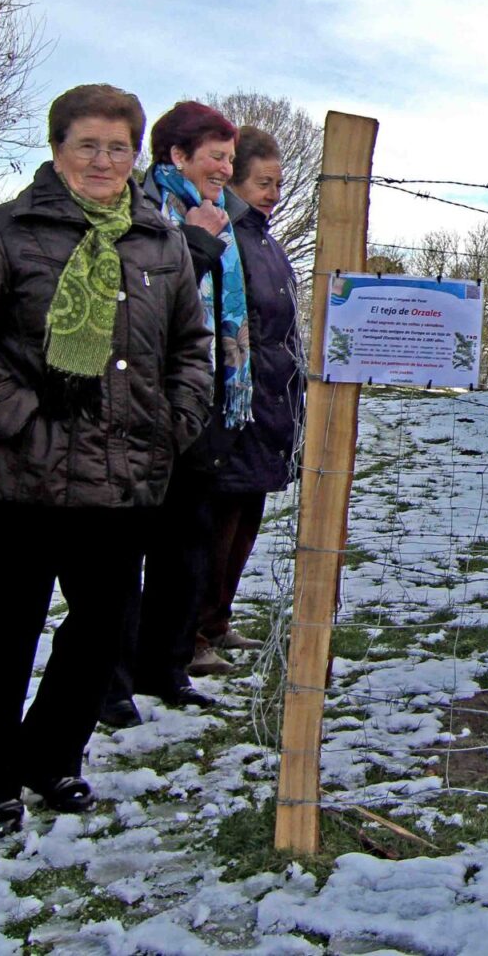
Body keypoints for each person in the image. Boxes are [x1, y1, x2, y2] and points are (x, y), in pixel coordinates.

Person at [0, 84, 212, 838]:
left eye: (119, 147)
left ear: (136, 156)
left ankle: (53, 756)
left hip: (123, 478)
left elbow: (190, 349)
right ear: (57, 149)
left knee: (98, 632)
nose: (103, 160)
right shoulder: (5, 232)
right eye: (88, 144)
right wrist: (18, 418)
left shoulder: (161, 243)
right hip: (19, 475)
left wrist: (175, 424)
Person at [101, 100, 246, 721]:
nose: (225, 167)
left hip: (204, 398)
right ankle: (108, 680)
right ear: (176, 155)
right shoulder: (142, 212)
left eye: (231, 158)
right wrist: (199, 244)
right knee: (123, 550)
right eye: (215, 155)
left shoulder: (219, 218)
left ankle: (167, 664)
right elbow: (144, 301)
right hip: (145, 404)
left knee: (187, 546)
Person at [194, 126, 306, 663]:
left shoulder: (264, 238)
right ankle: (189, 632)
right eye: (265, 182)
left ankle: (216, 620)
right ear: (236, 180)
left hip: (270, 400)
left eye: (279, 184)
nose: (275, 194)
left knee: (245, 518)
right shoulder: (223, 233)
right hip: (232, 400)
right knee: (214, 523)